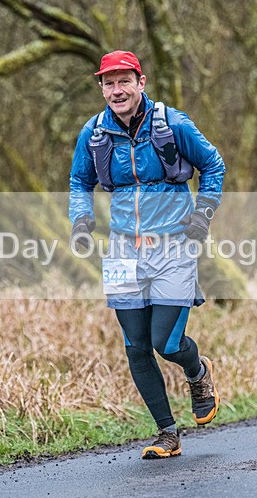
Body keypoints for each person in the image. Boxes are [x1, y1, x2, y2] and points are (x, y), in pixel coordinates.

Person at [69, 50, 226, 459]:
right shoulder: (95, 133)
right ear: (101, 88)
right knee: (135, 346)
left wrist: (203, 213)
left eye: (124, 80)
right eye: (108, 82)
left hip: (173, 246)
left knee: (166, 343)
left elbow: (213, 164)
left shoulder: (173, 123)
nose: (116, 90)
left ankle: (197, 372)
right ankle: (167, 434)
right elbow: (78, 181)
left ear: (141, 82)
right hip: (122, 251)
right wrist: (82, 219)